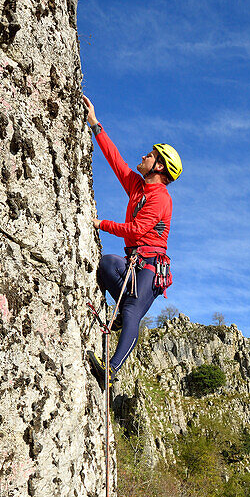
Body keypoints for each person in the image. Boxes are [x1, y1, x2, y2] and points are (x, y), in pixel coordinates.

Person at [83, 95, 182, 389]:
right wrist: (95, 125)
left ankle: (111, 371)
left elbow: (137, 230)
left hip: (150, 268)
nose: (143, 156)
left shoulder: (160, 198)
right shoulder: (139, 187)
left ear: (160, 167)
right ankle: (123, 317)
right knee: (106, 264)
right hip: (132, 263)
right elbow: (116, 162)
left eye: (150, 155)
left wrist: (99, 224)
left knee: (130, 312)